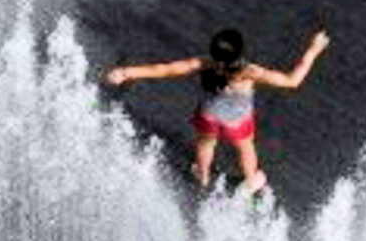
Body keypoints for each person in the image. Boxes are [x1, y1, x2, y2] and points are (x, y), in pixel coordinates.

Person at [105, 28, 330, 194]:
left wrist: (126, 72)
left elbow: (166, 69)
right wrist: (313, 49)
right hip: (237, 123)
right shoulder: (250, 71)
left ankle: (202, 175)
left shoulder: (207, 62)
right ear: (240, 53)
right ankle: (250, 180)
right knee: (245, 149)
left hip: (209, 117)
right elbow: (292, 81)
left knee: (205, 144)